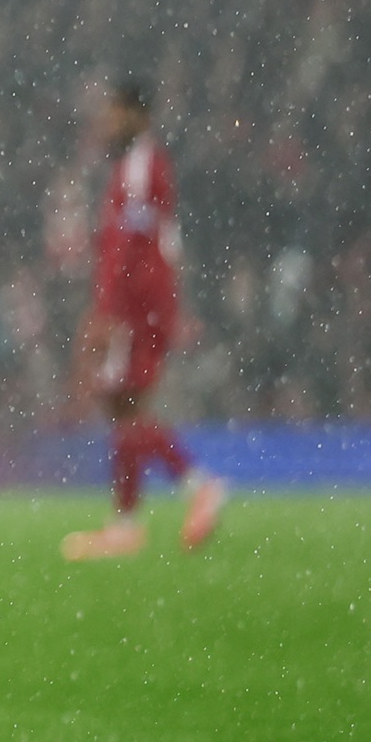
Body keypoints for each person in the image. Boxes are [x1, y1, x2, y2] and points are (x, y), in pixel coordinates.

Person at [64, 79, 229, 559]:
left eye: (116, 114)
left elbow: (129, 248)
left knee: (128, 406)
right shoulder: (137, 167)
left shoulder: (141, 169)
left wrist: (107, 312)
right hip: (146, 304)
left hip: (140, 308)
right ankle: (126, 523)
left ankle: (199, 486)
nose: (108, 123)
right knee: (121, 405)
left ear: (139, 115)